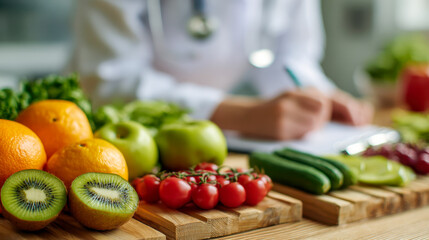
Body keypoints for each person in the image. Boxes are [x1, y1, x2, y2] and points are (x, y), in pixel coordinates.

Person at [68, 0, 373, 140]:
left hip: (212, 142)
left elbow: (290, 55)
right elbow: (111, 81)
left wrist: (318, 93)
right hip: (109, 133)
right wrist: (242, 115)